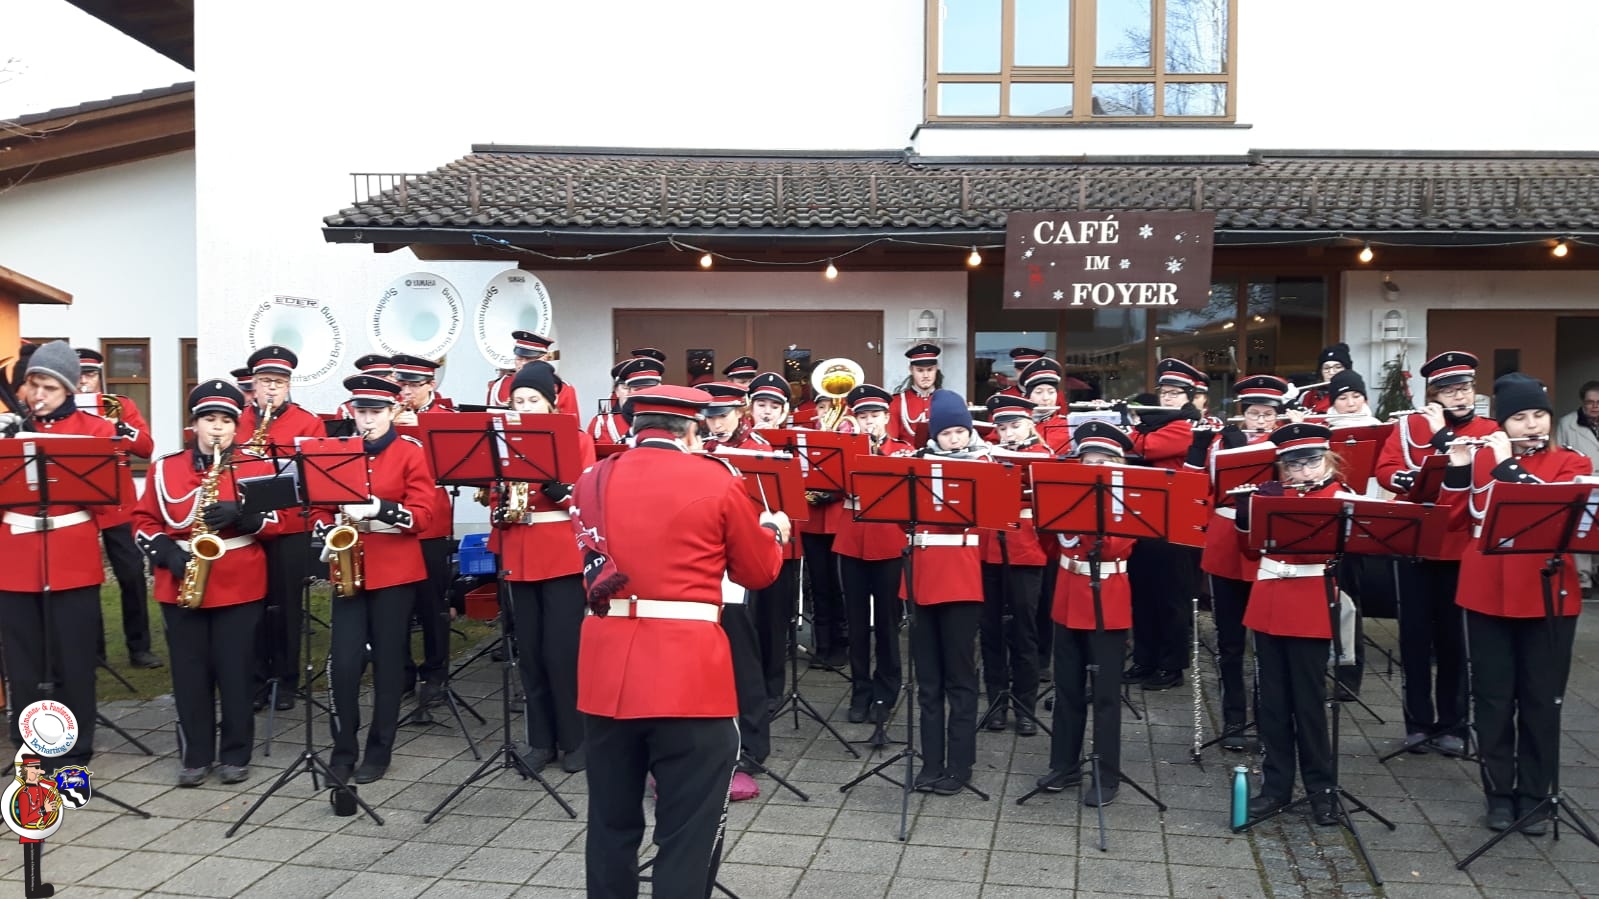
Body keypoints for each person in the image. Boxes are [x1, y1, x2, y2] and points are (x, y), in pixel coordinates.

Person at [572, 385, 787, 899]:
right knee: (689, 832)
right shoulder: (714, 478)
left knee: (610, 824)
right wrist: (775, 532)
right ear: (692, 430)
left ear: (635, 426)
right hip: (687, 676)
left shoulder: (591, 479)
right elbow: (757, 572)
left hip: (607, 674)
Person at [1441, 373, 1591, 833]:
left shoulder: (1571, 461)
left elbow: (1548, 508)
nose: (1531, 425)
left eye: (1539, 415)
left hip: (1548, 596)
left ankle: (1536, 795)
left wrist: (1507, 467)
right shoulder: (1482, 457)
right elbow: (1453, 519)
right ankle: (1499, 794)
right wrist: (1459, 467)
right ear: (1502, 424)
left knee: (1542, 700)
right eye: (1519, 417)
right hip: (1486, 593)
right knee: (1492, 699)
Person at [134, 380, 282, 786]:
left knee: (237, 672)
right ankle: (195, 756)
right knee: (189, 674)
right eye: (209, 419)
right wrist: (166, 553)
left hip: (238, 582)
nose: (217, 428)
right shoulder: (166, 466)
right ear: (194, 424)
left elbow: (278, 523)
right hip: (180, 579)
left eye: (226, 421)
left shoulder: (255, 464)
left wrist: (245, 515)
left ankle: (236, 754)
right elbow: (143, 520)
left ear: (237, 426)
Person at [0, 343, 118, 776]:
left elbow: (113, 503)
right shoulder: (9, 430)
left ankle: (75, 747)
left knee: (74, 656)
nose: (39, 395)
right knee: (22, 661)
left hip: (71, 555)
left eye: (49, 387)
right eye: (34, 385)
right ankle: (31, 744)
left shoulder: (96, 431)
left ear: (68, 389)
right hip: (15, 558)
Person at [1375, 350, 1495, 755]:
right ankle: (1417, 724)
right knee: (1413, 638)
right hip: (1414, 543)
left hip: (1459, 548)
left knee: (1454, 642)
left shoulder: (1489, 429)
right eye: (1449, 390)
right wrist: (1403, 478)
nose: (1459, 396)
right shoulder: (1409, 425)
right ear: (1434, 394)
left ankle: (1453, 725)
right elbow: (1385, 467)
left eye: (1465, 388)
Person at [323, 374, 437, 784]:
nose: (367, 420)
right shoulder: (337, 451)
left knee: (389, 664)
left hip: (395, 568)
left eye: (375, 412)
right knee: (344, 664)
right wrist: (326, 529)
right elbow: (319, 504)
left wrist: (380, 508)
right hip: (347, 566)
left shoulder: (410, 453)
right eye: (361, 412)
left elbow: (423, 515)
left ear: (393, 411)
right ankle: (343, 749)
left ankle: (379, 749)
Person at [1238, 423, 1352, 826]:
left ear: (1328, 460)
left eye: (1311, 463)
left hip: (1310, 605)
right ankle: (1275, 788)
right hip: (1269, 602)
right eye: (1293, 465)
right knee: (1271, 704)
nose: (1302, 472)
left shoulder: (1341, 498)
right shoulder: (1272, 495)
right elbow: (1248, 552)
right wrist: (1246, 514)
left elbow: (1332, 554)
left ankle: (1321, 789)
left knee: (1309, 704)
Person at [490, 361, 595, 775]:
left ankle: (576, 739)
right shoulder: (502, 441)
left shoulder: (577, 439)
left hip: (560, 554)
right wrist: (500, 507)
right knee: (530, 653)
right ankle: (540, 741)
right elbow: (495, 494)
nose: (525, 407)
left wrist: (562, 492)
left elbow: (588, 500)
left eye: (533, 400)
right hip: (519, 553)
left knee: (562, 652)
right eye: (518, 400)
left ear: (550, 404)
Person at [1186, 374, 1291, 750]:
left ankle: (1267, 719)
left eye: (1267, 414)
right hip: (1226, 542)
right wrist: (1199, 448)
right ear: (1242, 413)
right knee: (1228, 641)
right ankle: (1233, 718)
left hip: (1267, 542)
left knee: (1266, 642)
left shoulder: (1286, 443)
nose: (1260, 420)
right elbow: (1193, 487)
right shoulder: (1220, 441)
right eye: (1254, 413)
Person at [1037, 422, 1139, 804]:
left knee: (1106, 695)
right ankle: (1063, 765)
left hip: (1106, 597)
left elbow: (1113, 546)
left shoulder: (1129, 499)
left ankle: (1106, 774)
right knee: (1067, 688)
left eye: (1102, 462)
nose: (1093, 468)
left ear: (1118, 465)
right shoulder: (1067, 495)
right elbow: (1051, 546)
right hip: (1069, 593)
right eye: (1088, 461)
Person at [905, 390, 990, 795]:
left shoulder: (984, 466)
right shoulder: (916, 466)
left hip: (960, 580)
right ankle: (930, 762)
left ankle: (960, 764)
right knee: (928, 680)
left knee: (960, 677)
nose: (954, 440)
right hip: (921, 579)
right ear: (935, 436)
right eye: (946, 433)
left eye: (960, 432)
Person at [238, 345, 327, 712]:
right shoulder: (235, 420)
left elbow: (317, 481)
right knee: (251, 606)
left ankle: (287, 680)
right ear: (254, 385)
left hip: (290, 527)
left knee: (287, 607)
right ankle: (256, 680)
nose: (272, 388)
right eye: (265, 381)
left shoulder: (308, 423)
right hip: (245, 528)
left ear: (289, 385)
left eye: (279, 381)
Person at [701, 381, 780, 793]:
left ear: (740, 414)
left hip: (743, 561)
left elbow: (772, 505)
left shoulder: (760, 451)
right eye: (710, 417)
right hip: (707, 563)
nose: (716, 424)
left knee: (745, 659)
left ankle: (752, 745)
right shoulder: (699, 451)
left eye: (723, 416)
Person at [75, 348, 163, 670]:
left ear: (99, 376)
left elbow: (146, 448)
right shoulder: (64, 411)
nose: (83, 381)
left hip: (117, 503)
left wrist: (121, 427)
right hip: (79, 504)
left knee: (131, 574)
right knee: (84, 580)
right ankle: (94, 650)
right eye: (78, 375)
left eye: (89, 374)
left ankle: (139, 648)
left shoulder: (120, 405)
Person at [832, 384, 912, 724]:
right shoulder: (843, 451)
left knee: (887, 623)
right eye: (863, 416)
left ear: (886, 417)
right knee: (856, 622)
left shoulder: (903, 451)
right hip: (852, 539)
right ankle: (860, 690)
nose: (869, 422)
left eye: (875, 416)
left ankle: (887, 690)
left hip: (888, 541)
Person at [1123, 359, 1202, 692]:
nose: (1168, 398)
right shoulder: (1152, 422)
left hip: (1175, 522)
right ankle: (1145, 659)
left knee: (1172, 599)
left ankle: (1172, 665)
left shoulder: (1185, 426)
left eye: (1175, 393)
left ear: (1187, 397)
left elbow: (1143, 447)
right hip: (1143, 518)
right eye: (1164, 392)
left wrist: (1133, 429)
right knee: (1142, 595)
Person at [388, 354, 458, 706]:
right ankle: (401, 672)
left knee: (433, 605)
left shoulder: (446, 418)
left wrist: (419, 425)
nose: (406, 392)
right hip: (393, 523)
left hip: (431, 523)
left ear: (431, 385)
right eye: (402, 384)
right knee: (396, 605)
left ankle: (435, 675)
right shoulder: (387, 415)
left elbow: (450, 463)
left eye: (414, 385)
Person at [978, 394, 1048, 734]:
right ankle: (996, 703)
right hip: (989, 547)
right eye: (1003, 428)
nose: (1009, 434)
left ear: (1031, 425)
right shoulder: (986, 455)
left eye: (1016, 426)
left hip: (1025, 550)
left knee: (1025, 631)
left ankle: (1024, 707)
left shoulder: (1044, 456)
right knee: (990, 630)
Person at [1555, 380, 1599, 596]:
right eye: (1590, 402)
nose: (1595, 406)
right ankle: (1583, 580)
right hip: (1584, 482)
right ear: (1582, 402)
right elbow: (1560, 454)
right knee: (1582, 529)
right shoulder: (1567, 423)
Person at [486, 331, 579, 415]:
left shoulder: (564, 389)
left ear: (544, 359)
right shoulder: (497, 386)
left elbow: (571, 425)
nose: (523, 364)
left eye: (529, 359)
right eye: (519, 359)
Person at [588, 356, 663, 445]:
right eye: (625, 388)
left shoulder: (668, 420)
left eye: (649, 389)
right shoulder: (602, 424)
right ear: (616, 391)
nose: (643, 395)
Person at [888, 343, 941, 446]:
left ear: (936, 368)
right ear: (911, 370)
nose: (926, 375)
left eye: (930, 369)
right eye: (920, 370)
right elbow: (891, 443)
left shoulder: (948, 401)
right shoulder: (896, 402)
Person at [1018, 357, 1073, 454]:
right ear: (1027, 396)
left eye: (1051, 392)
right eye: (1039, 392)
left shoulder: (1064, 426)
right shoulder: (1012, 422)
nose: (1046, 398)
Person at [1299, 343, 1352, 413]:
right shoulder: (1309, 395)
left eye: (1338, 367)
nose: (1331, 372)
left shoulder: (1354, 395)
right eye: (1326, 368)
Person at [336, 354, 393, 419]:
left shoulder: (399, 403)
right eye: (372, 379)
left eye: (383, 378)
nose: (377, 382)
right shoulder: (346, 409)